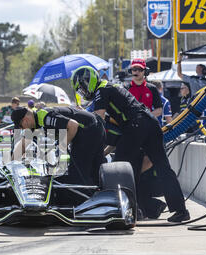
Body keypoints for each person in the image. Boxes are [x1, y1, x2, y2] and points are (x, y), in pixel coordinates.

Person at [71, 66, 190, 222]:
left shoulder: (102, 90)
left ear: (89, 81)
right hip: (149, 123)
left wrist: (80, 116)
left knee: (119, 169)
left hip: (135, 125)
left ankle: (128, 211)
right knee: (161, 168)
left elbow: (97, 119)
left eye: (82, 87)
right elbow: (115, 128)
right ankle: (179, 210)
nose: (84, 92)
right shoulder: (110, 88)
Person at [11, 106, 106, 186]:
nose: (23, 129)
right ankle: (101, 191)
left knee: (77, 173)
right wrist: (11, 167)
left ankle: (83, 199)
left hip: (89, 129)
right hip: (94, 127)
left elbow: (73, 125)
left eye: (21, 126)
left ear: (25, 120)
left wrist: (61, 148)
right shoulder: (35, 122)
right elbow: (23, 145)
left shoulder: (45, 117)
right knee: (96, 169)